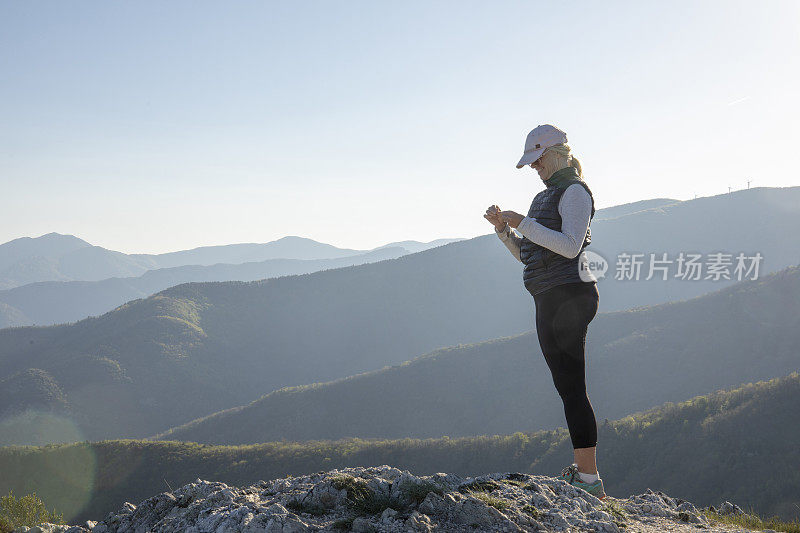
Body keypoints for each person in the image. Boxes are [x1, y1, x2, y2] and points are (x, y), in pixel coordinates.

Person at [483, 124, 605, 499]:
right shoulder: (547, 195)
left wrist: (524, 223)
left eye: (536, 161)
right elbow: (530, 256)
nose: (534, 168)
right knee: (566, 387)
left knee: (572, 387)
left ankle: (589, 482)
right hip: (548, 296)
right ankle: (587, 478)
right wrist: (506, 231)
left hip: (570, 295)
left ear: (555, 154)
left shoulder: (574, 193)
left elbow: (569, 247)